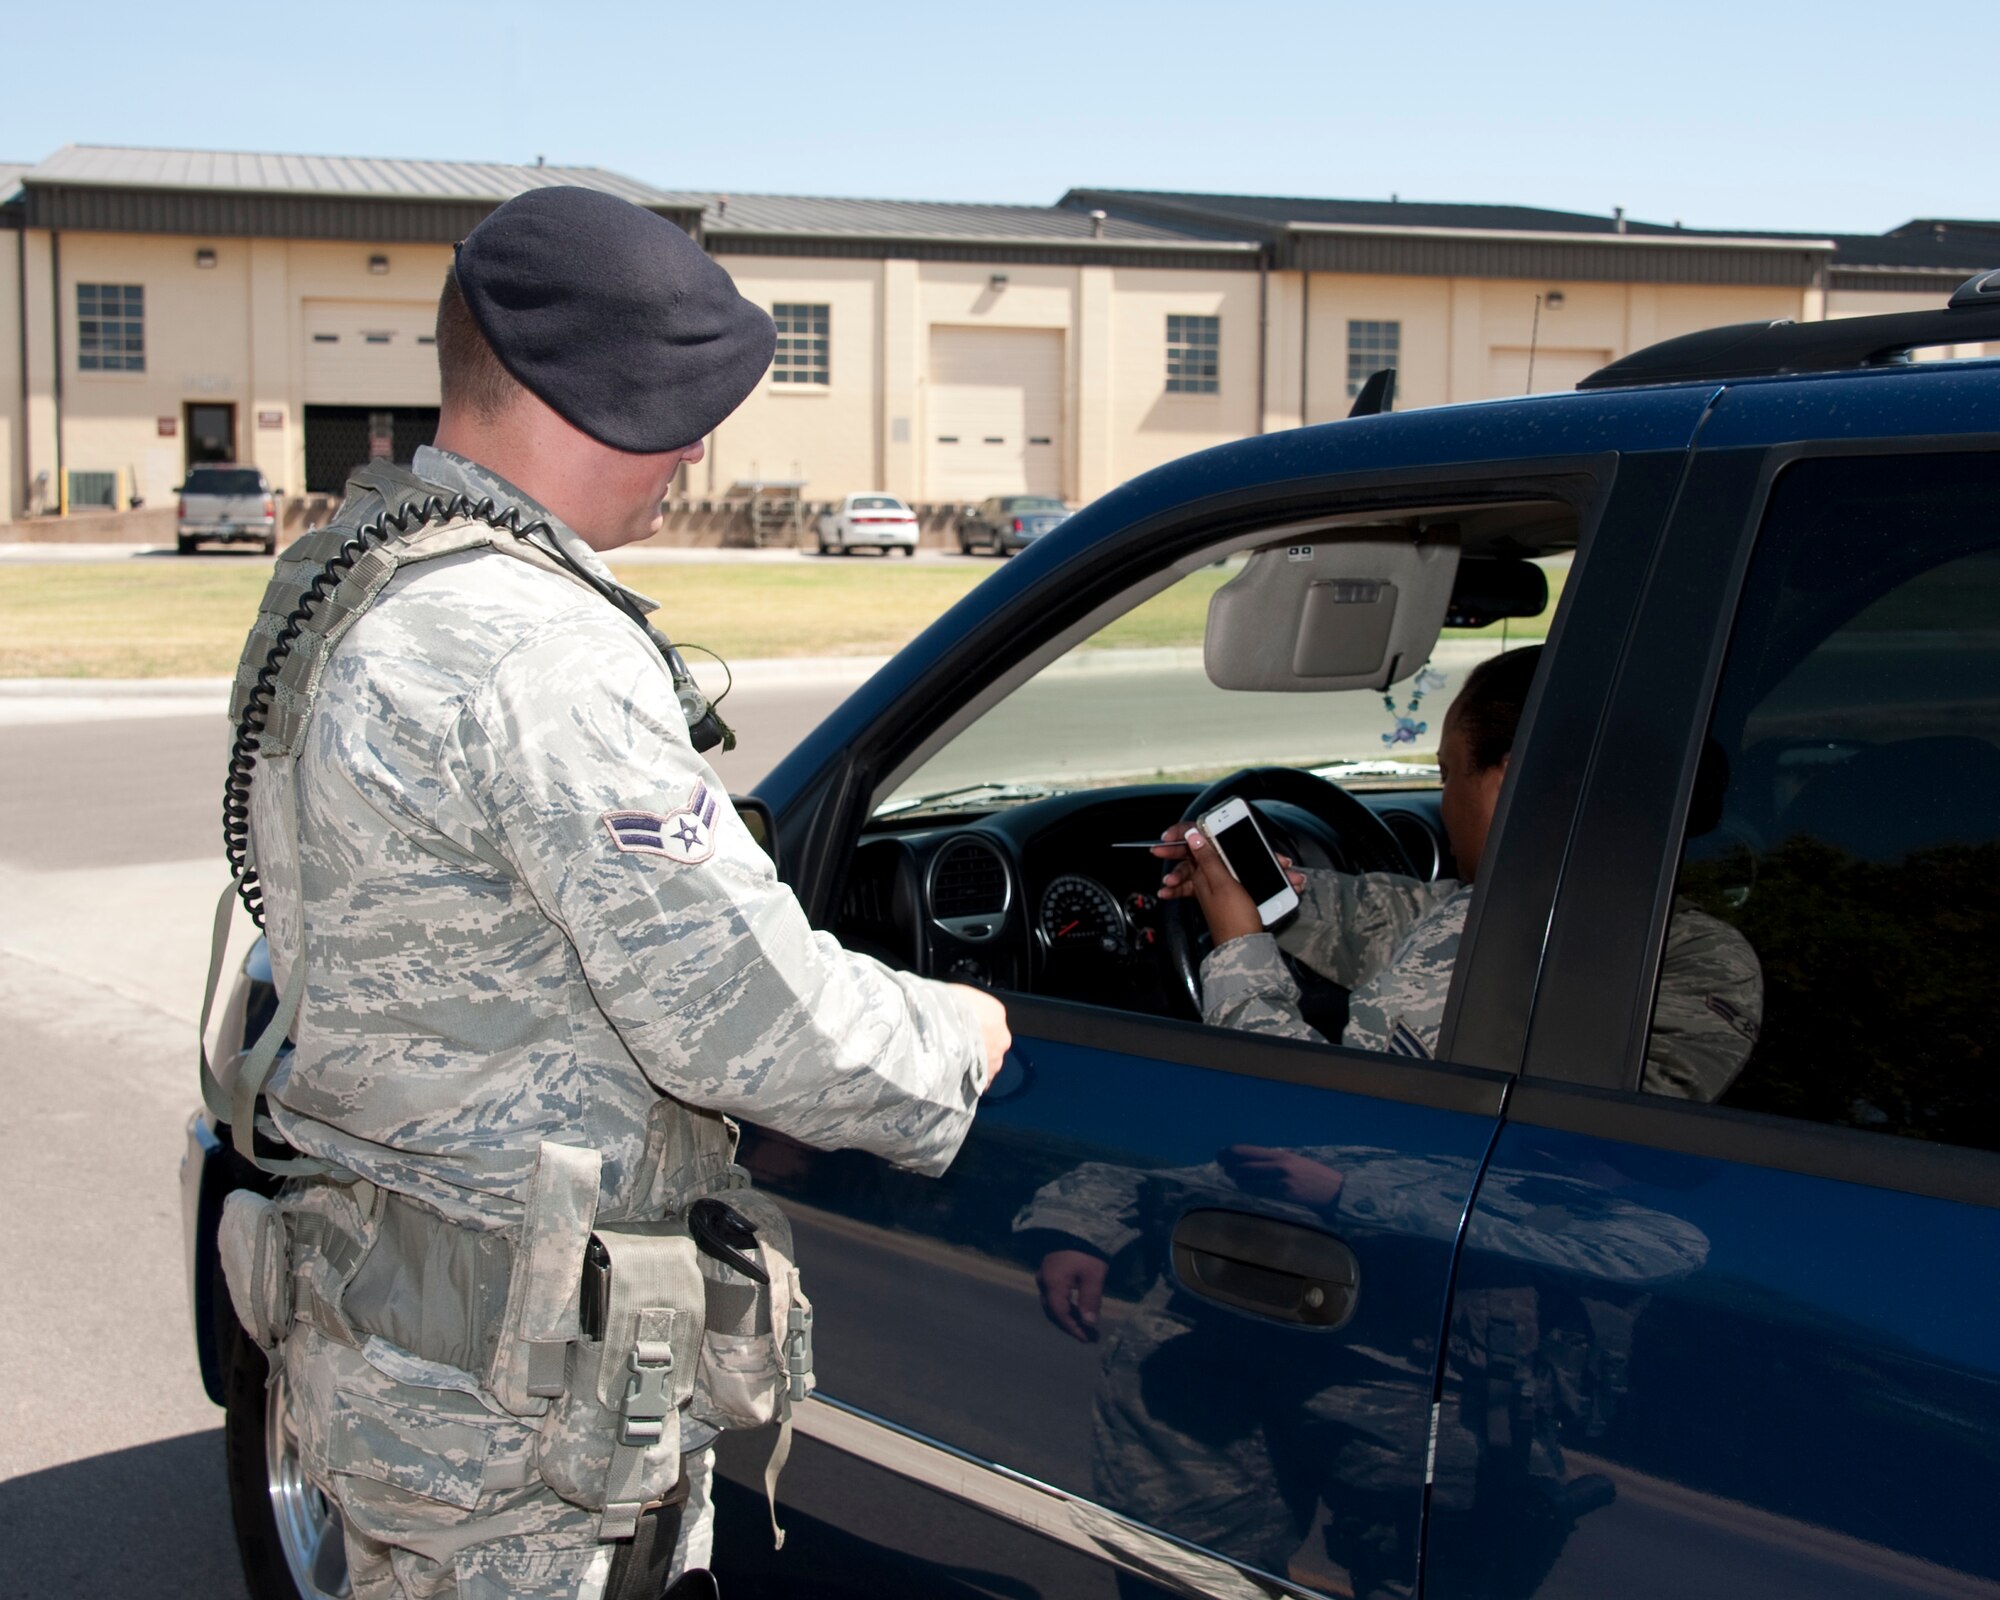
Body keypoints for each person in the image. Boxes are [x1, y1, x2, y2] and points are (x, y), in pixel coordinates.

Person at [219, 187, 1010, 1600]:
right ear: (579, 395)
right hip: (521, 1414)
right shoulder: (537, 651)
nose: (698, 444)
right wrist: (951, 1038)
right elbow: (739, 1016)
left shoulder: (351, 580)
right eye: (678, 404)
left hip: (396, 1343)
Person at [1153, 644, 1761, 1096]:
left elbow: (1317, 1123)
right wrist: (1283, 895)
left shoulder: (1509, 940)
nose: (1445, 802)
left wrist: (1239, 952)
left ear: (1516, 781)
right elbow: (1413, 920)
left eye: (1447, 774)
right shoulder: (1703, 949)